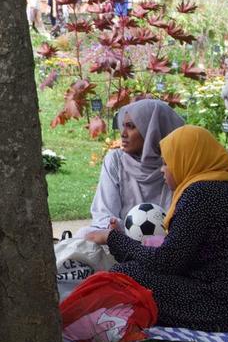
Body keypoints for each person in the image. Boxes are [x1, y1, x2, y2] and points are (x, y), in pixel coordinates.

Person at [85, 125, 228, 332]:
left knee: (125, 275)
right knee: (132, 273)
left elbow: (167, 262)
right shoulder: (224, 187)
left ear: (186, 160)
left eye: (167, 163)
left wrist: (113, 239)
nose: (162, 169)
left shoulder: (200, 194)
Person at [80, 99, 186, 239]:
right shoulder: (116, 160)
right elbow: (104, 214)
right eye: (123, 126)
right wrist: (117, 229)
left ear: (152, 130)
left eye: (131, 126)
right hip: (119, 241)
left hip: (167, 248)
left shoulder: (178, 165)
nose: (123, 134)